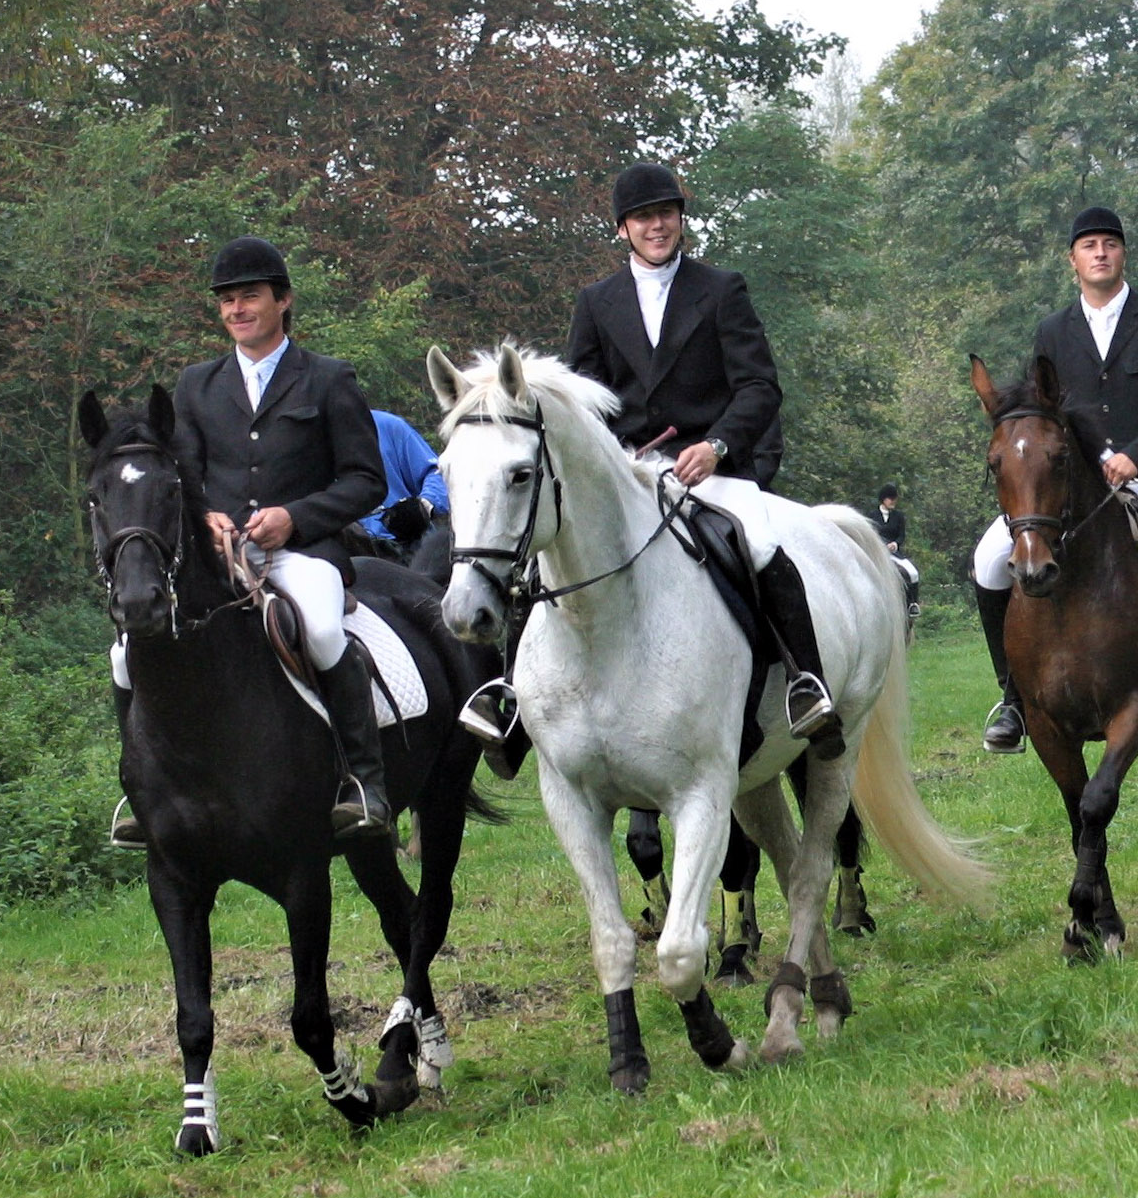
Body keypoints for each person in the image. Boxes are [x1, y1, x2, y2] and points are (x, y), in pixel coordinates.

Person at [460, 160, 843, 767]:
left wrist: (715, 445)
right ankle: (511, 696)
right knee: (538, 557)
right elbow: (584, 400)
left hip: (711, 467)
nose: (656, 225)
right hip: (628, 472)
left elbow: (759, 388)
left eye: (665, 213)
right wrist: (611, 460)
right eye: (642, 217)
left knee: (761, 544)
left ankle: (805, 683)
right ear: (623, 229)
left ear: (679, 219)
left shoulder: (721, 289)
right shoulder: (596, 301)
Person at [112, 236, 391, 847]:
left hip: (301, 552)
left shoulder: (327, 379)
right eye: (228, 301)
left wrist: (295, 516)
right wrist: (205, 512)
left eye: (250, 297)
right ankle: (138, 789)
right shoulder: (196, 385)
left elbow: (367, 481)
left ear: (283, 301)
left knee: (319, 628)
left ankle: (363, 783)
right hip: (216, 560)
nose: (238, 309)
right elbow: (181, 474)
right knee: (122, 654)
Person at [973, 206, 1138, 753]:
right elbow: (1041, 413)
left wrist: (1137, 457)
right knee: (986, 560)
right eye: (1089, 245)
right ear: (1072, 259)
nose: (1100, 252)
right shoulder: (1052, 330)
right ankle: (1013, 697)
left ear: (1123, 254)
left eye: (1110, 244)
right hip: (1075, 488)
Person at [356, 408, 449, 553]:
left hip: (406, 548)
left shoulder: (387, 425)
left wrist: (424, 505)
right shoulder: (312, 440)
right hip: (343, 552)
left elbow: (437, 472)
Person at [872, 482, 920, 615]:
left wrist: (895, 544)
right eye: (891, 498)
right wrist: (882, 545)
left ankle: (912, 604)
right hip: (876, 553)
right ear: (883, 499)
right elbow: (871, 535)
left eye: (895, 499)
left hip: (894, 553)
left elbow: (901, 536)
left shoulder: (898, 516)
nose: (894, 501)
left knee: (913, 573)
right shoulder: (872, 515)